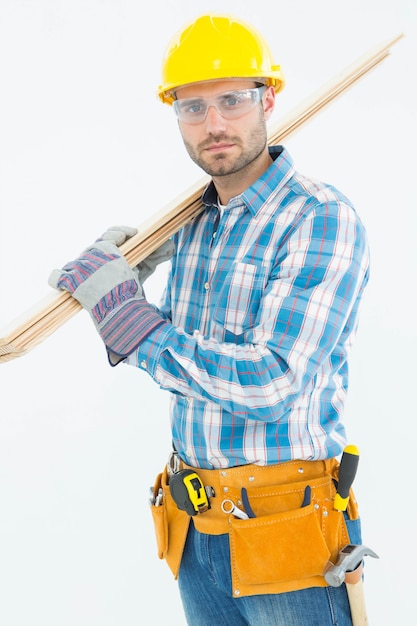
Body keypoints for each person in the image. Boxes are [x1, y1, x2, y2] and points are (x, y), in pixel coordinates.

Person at [49, 13, 370, 626]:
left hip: (289, 534)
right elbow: (197, 358)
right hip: (197, 528)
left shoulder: (321, 219)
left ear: (269, 98)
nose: (214, 124)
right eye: (192, 107)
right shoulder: (194, 223)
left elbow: (271, 382)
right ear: (174, 115)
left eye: (232, 100)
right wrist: (127, 277)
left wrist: (130, 321)